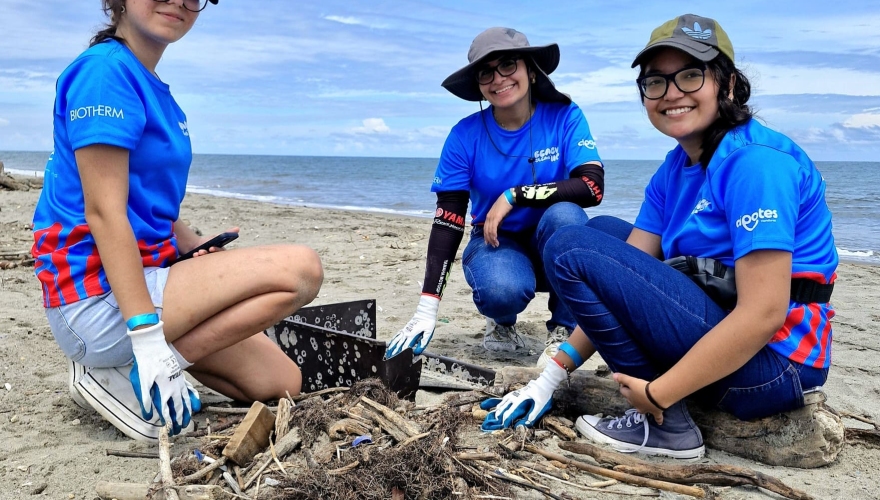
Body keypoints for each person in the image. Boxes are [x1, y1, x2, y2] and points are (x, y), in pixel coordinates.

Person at [480, 14, 837, 460]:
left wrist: (659, 393)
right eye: (655, 83)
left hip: (775, 367)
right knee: (602, 232)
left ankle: (664, 426)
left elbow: (764, 314)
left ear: (726, 85)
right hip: (724, 337)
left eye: (690, 75)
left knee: (570, 246)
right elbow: (619, 273)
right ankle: (665, 410)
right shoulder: (676, 167)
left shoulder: (755, 164)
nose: (672, 94)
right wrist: (549, 377)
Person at [32, 0, 323, 442]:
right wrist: (148, 339)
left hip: (150, 275)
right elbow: (104, 211)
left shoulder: (157, 92)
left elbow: (150, 209)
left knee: (280, 383)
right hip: (97, 298)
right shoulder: (104, 73)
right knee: (301, 270)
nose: (179, 3)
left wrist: (196, 248)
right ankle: (137, 362)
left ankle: (142, 362)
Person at [385, 27, 605, 361]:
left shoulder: (565, 117)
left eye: (507, 65)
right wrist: (427, 307)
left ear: (530, 70)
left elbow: (591, 187)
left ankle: (562, 328)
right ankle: (501, 321)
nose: (498, 78)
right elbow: (449, 220)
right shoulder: (464, 135)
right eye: (486, 72)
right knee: (502, 290)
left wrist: (516, 194)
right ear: (477, 84)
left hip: (553, 242)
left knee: (567, 215)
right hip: (496, 242)